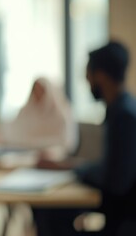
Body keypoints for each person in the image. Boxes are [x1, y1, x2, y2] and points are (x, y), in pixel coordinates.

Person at [34, 41, 136, 236]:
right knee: (47, 211)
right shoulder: (121, 109)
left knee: (48, 214)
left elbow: (116, 181)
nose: (86, 80)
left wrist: (75, 168)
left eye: (87, 75)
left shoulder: (125, 116)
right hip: (119, 212)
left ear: (101, 76)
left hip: (122, 221)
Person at [0, 77, 78, 157]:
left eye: (40, 90)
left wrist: (50, 152)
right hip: (24, 154)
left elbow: (66, 143)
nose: (37, 94)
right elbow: (14, 130)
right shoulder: (27, 111)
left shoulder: (61, 114)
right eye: (35, 90)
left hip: (49, 159)